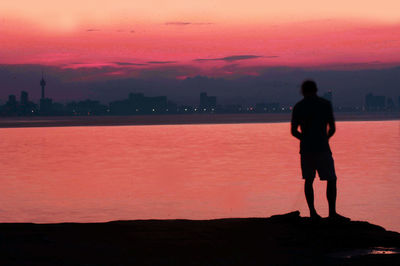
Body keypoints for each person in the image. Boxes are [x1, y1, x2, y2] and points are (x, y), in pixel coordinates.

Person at [291, 80, 349, 221]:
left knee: (309, 180)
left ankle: (312, 212)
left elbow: (294, 131)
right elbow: (332, 128)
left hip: (306, 149)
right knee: (331, 179)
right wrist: (325, 138)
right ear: (316, 90)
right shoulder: (325, 104)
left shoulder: (299, 106)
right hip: (323, 148)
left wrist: (304, 139)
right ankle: (332, 213)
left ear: (303, 91)